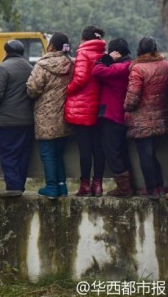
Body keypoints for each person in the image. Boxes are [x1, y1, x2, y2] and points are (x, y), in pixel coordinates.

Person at [26, 33, 74, 199]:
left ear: (51, 47)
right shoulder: (72, 64)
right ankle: (62, 186)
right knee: (59, 153)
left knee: (47, 153)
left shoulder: (42, 65)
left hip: (46, 116)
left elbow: (33, 89)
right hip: (66, 114)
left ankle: (51, 186)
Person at [0, 40, 34, 198]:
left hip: (7, 120)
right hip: (27, 119)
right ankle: (19, 185)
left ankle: (13, 186)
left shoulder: (2, 67)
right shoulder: (29, 67)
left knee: (8, 153)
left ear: (6, 52)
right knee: (23, 154)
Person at [124, 37, 168, 200]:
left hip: (141, 119)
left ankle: (151, 189)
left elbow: (132, 98)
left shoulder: (138, 69)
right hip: (161, 117)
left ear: (139, 49)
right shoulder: (165, 65)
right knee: (153, 153)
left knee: (145, 154)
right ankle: (159, 187)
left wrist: (126, 107)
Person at [65, 25, 106, 197]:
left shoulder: (83, 52)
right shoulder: (104, 53)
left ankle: (85, 186)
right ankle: (98, 185)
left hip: (82, 108)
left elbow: (81, 78)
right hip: (99, 107)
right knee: (98, 148)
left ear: (84, 39)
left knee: (85, 149)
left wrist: (68, 89)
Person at [91, 38, 134, 197]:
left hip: (113, 114)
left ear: (116, 52)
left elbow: (96, 71)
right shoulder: (130, 64)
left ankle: (124, 188)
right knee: (121, 150)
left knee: (113, 150)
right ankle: (130, 185)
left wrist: (107, 58)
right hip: (120, 114)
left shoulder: (121, 67)